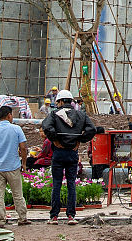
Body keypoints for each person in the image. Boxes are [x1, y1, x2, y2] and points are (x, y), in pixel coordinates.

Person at [42, 89, 98, 225]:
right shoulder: (81, 115)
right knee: (71, 184)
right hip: (73, 153)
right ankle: (71, 216)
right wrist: (79, 140)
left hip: (58, 153)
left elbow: (46, 127)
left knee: (57, 183)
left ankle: (54, 216)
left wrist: (55, 140)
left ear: (60, 101)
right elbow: (92, 129)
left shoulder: (54, 114)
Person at [0, 104, 29, 227]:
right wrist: (24, 163)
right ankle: (22, 217)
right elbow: (23, 148)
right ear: (9, 115)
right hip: (13, 166)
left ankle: (0, 220)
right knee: (18, 194)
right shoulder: (16, 129)